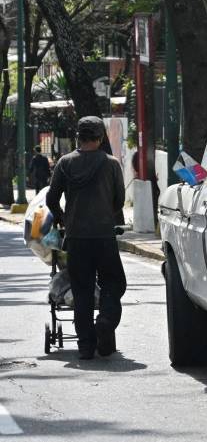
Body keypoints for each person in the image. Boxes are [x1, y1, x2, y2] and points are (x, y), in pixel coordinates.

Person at [45, 116, 127, 359]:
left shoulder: (65, 163)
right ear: (100, 138)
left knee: (81, 290)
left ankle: (85, 347)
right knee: (114, 284)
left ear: (77, 137)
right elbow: (119, 201)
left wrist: (62, 217)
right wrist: (105, 214)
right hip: (103, 237)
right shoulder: (111, 164)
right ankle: (105, 320)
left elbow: (51, 199)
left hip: (76, 238)